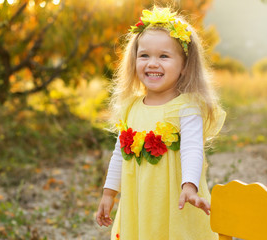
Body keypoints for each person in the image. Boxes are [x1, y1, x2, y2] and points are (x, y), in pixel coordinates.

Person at [96, 6, 226, 240]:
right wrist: (109, 193)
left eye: (164, 56)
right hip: (140, 201)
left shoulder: (185, 108)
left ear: (184, 66)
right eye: (144, 55)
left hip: (174, 199)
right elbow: (119, 154)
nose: (152, 63)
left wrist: (189, 187)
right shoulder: (131, 107)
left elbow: (192, 150)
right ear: (133, 60)